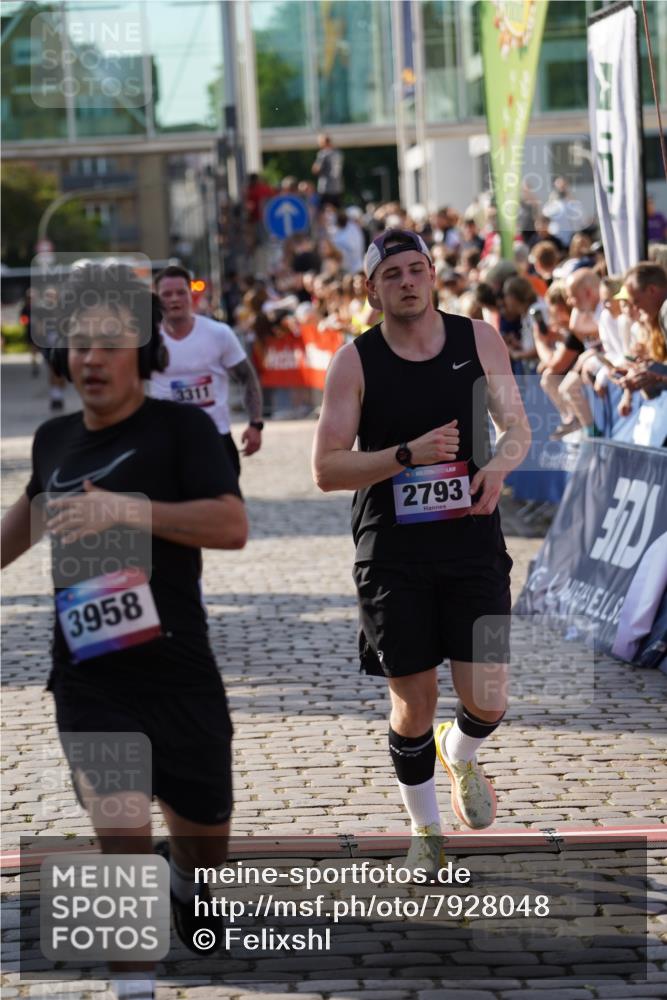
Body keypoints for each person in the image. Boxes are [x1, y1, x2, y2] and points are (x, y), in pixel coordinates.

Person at [0, 262, 248, 1000]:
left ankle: (188, 878)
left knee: (205, 838)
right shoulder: (54, 441)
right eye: (78, 343)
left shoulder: (182, 431)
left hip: (178, 672)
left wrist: (128, 510)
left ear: (141, 351)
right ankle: (131, 987)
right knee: (118, 831)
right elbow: (23, 525)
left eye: (109, 341)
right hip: (90, 675)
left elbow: (231, 526)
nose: (91, 357)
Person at [312, 229, 531, 873]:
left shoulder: (478, 339)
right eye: (392, 274)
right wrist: (406, 455)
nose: (407, 282)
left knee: (489, 696)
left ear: (433, 275)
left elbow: (517, 427)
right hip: (392, 555)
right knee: (413, 701)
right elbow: (326, 468)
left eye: (417, 269)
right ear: (371, 290)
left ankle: (458, 754)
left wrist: (499, 469)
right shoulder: (355, 362)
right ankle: (425, 828)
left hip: (471, 542)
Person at [152, 265, 264, 478]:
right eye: (167, 294)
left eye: (180, 292)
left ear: (190, 294)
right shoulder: (148, 340)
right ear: (157, 298)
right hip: (166, 441)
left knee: (224, 508)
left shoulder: (218, 333)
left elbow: (246, 377)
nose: (175, 299)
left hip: (214, 438)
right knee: (172, 510)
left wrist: (255, 424)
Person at [311, 133, 344, 210]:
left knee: (322, 210)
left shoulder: (323, 154)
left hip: (325, 188)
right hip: (338, 187)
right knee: (337, 211)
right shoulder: (338, 153)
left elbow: (316, 170)